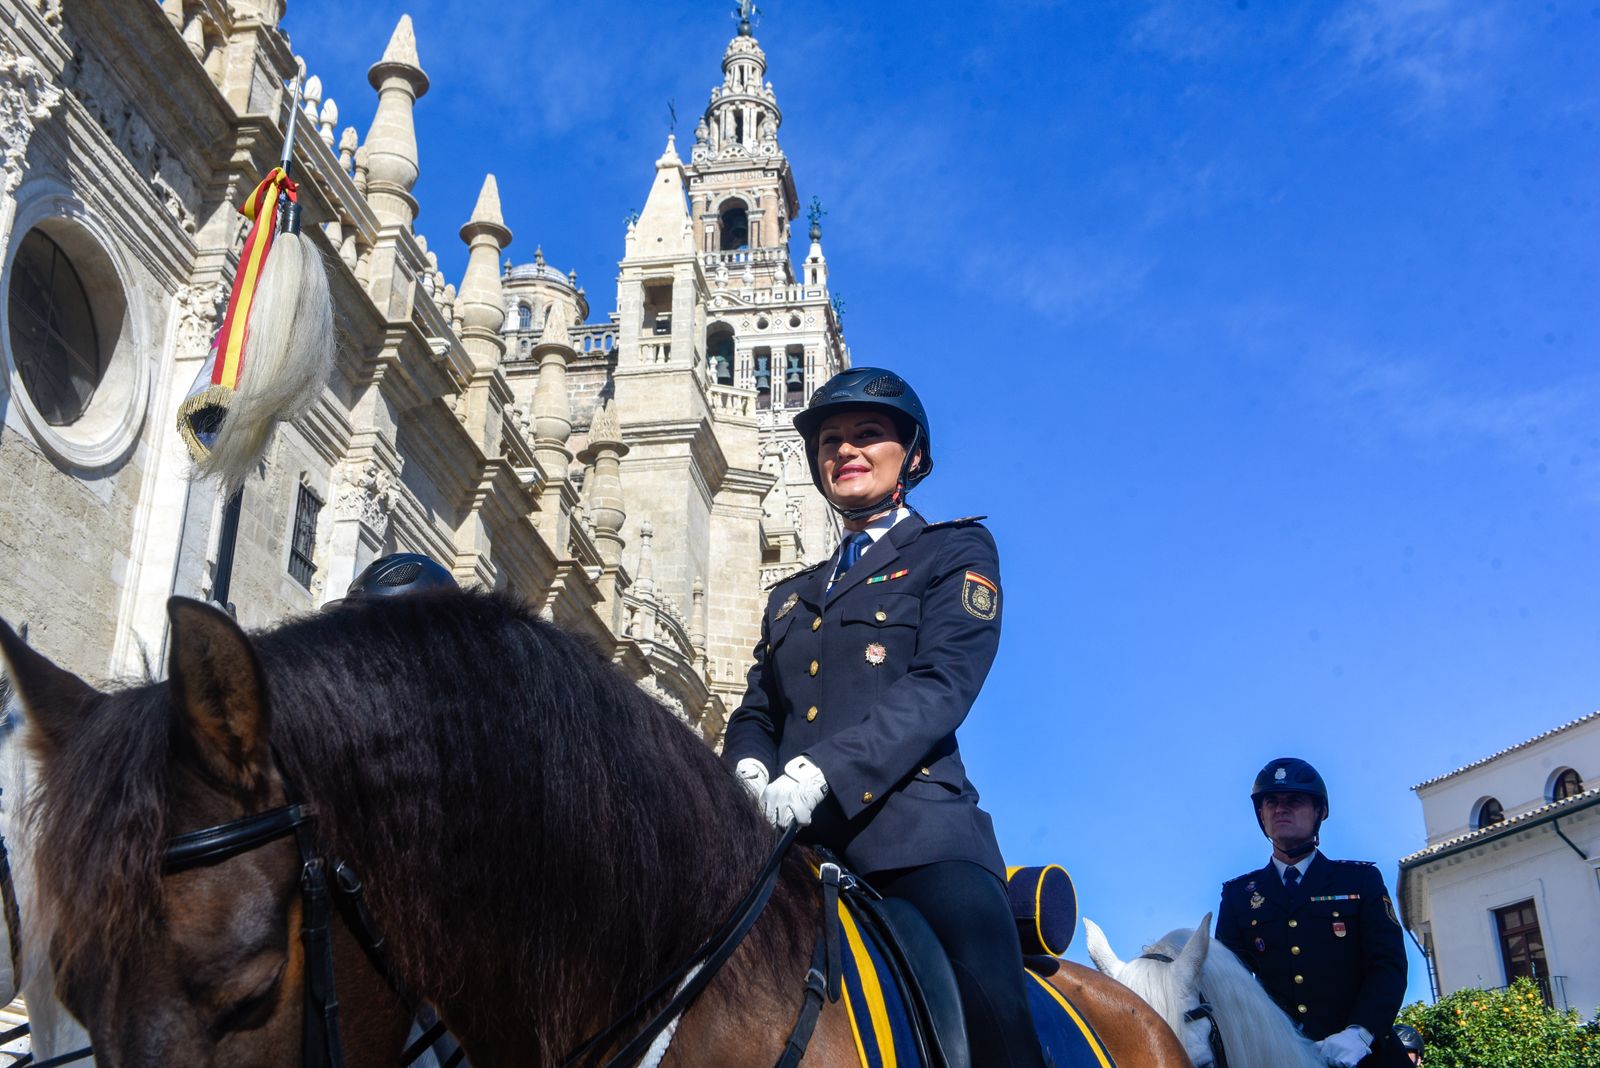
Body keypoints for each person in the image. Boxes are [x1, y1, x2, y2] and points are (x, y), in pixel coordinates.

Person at [723, 367, 1046, 1067]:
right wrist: (745, 770)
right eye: (831, 440)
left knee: (992, 1022)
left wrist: (821, 772)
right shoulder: (791, 594)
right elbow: (758, 707)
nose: (845, 450)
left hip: (917, 843)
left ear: (914, 456)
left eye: (868, 435)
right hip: (792, 854)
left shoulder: (953, 551)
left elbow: (943, 683)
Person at [1216, 758, 1409, 1068]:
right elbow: (1228, 986)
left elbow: (1388, 965)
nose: (1281, 809)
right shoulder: (1239, 896)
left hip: (1365, 1054)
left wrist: (1360, 1033)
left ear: (1320, 812)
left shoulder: (1359, 881)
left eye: (1294, 800)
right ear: (1261, 815)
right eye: (1271, 802)